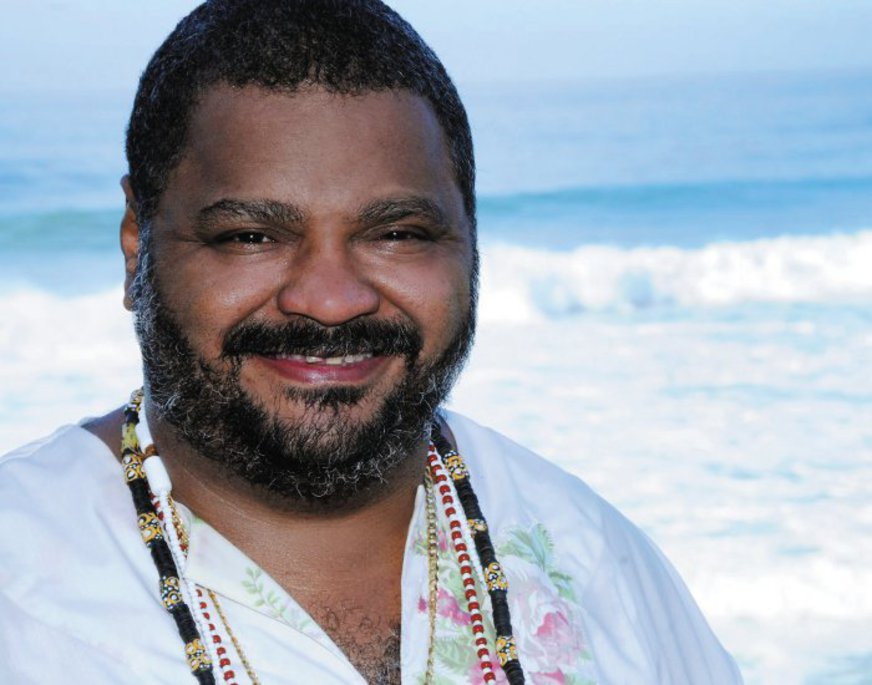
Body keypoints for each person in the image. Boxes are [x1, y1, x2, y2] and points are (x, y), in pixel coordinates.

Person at [0, 1, 743, 683]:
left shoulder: (597, 563)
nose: (331, 300)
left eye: (397, 234)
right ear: (137, 243)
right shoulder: (23, 595)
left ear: (470, 236)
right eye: (251, 235)